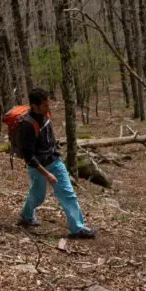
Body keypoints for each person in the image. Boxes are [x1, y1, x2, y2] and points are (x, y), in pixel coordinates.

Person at [16, 88, 96, 239]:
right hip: (38, 166)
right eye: (45, 105)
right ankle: (26, 215)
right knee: (38, 196)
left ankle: (77, 229)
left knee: (68, 194)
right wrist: (47, 174)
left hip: (54, 160)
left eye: (48, 104)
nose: (48, 108)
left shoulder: (45, 115)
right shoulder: (27, 125)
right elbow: (28, 158)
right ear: (34, 106)